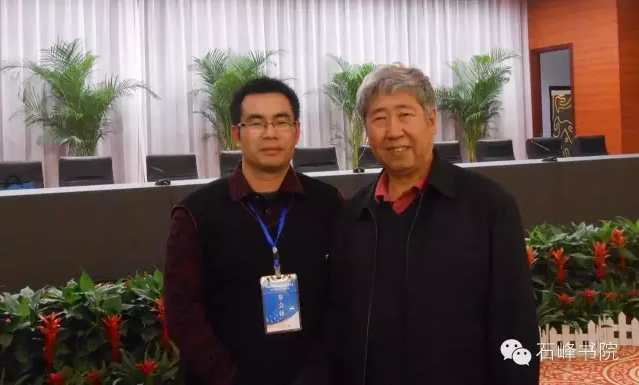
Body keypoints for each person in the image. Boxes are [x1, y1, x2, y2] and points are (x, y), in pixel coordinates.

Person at [328, 64, 540, 385]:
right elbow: (339, 324)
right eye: (379, 118)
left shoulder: (487, 206)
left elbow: (515, 320)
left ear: (431, 121)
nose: (393, 131)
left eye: (405, 114)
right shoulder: (354, 214)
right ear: (367, 130)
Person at [164, 77, 341, 385]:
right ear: (237, 134)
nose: (270, 133)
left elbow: (345, 297)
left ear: (296, 132)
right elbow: (183, 313)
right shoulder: (195, 213)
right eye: (257, 123)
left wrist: (317, 372)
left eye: (281, 122)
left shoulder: (329, 204)